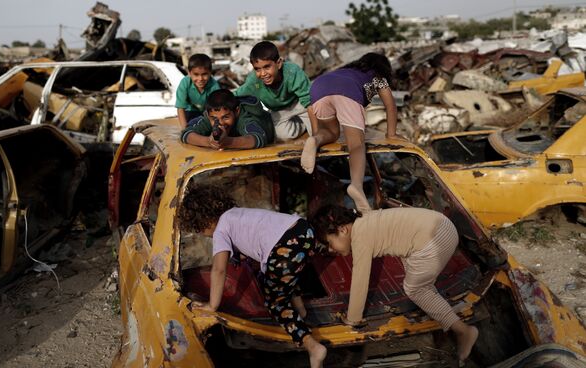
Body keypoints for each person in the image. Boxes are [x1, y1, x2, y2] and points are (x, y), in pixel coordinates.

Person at [178, 185, 328, 368]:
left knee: (275, 303)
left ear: (202, 223)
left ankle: (312, 347)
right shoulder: (236, 213)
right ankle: (301, 311)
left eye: (200, 232)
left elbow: (219, 269)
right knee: (282, 274)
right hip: (303, 231)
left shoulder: (220, 230)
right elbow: (252, 239)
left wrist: (212, 305)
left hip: (284, 248)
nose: (206, 236)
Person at [311, 204, 479, 364]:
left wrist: (352, 319)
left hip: (433, 239)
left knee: (414, 289)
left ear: (342, 230)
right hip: (442, 227)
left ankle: (464, 331)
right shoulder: (365, 219)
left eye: (329, 243)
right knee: (416, 277)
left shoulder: (360, 238)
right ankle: (438, 309)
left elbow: (360, 280)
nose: (331, 250)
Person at [301, 52, 402, 209]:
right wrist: (391, 134)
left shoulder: (345, 70)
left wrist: (314, 131)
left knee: (332, 132)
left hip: (319, 87)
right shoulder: (379, 77)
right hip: (347, 91)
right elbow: (390, 105)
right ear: (383, 68)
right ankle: (356, 185)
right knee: (356, 145)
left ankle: (315, 140)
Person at [235, 41, 317, 141]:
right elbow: (236, 95)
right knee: (282, 136)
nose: (263, 73)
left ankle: (307, 123)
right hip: (278, 110)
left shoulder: (292, 72)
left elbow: (309, 102)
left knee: (317, 128)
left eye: (267, 67)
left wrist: (315, 136)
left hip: (300, 103)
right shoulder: (253, 82)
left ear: (278, 63)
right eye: (257, 69)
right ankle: (302, 125)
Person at [180, 89, 274, 150]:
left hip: (273, 127)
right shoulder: (210, 116)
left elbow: (259, 138)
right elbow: (186, 133)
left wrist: (228, 142)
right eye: (215, 119)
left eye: (226, 117)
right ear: (208, 115)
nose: (220, 123)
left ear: (236, 111)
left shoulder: (244, 117)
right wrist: (209, 141)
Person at [176, 53, 222, 128]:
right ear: (189, 73)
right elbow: (180, 108)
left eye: (204, 74)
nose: (200, 79)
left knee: (206, 126)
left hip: (206, 112)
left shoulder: (214, 86)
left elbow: (217, 109)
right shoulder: (185, 83)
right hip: (189, 112)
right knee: (191, 125)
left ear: (210, 73)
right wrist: (185, 129)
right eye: (196, 74)